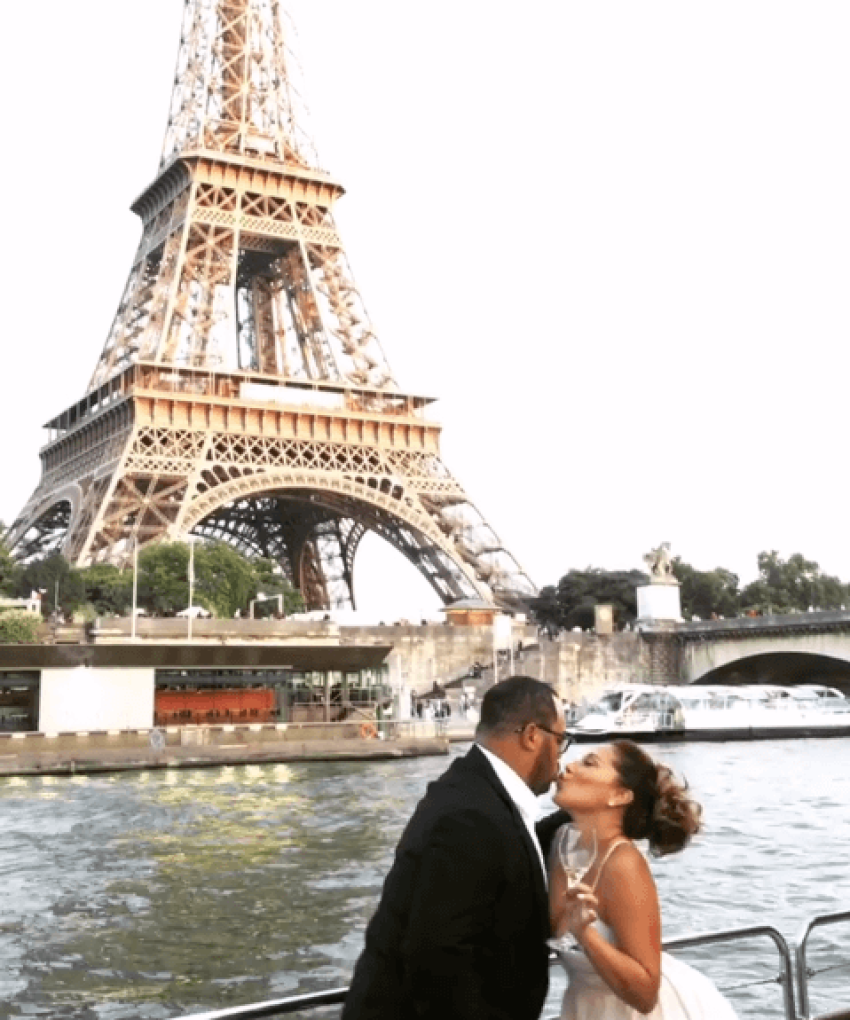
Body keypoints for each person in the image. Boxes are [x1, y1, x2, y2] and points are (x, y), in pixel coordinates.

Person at [341, 675, 569, 1020]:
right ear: (532, 736)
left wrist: (581, 815)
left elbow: (508, 854)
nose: (560, 759)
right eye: (561, 741)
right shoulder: (470, 818)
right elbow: (437, 961)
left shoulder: (474, 793)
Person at [550, 740, 738, 1019]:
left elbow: (646, 993)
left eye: (589, 763)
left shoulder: (624, 864)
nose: (569, 766)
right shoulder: (564, 841)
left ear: (619, 796)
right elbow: (555, 926)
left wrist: (586, 935)